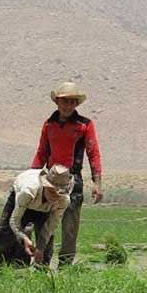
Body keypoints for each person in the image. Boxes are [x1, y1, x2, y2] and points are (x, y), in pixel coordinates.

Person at [30, 81, 104, 267]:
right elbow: (42, 152)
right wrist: (32, 178)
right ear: (57, 102)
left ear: (77, 103)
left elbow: (93, 153)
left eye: (72, 101)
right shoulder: (49, 125)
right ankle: (42, 265)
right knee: (46, 224)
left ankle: (65, 268)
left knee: (70, 228)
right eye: (64, 101)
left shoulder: (85, 125)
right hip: (50, 181)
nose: (68, 105)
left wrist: (97, 183)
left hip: (74, 181)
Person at [0, 165, 75, 268]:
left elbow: (51, 226)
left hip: (44, 209)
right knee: (6, 233)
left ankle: (41, 272)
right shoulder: (28, 191)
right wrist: (24, 238)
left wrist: (40, 248)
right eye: (52, 191)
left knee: (46, 241)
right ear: (45, 186)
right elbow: (14, 221)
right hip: (23, 200)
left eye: (59, 194)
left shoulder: (64, 201)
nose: (55, 196)